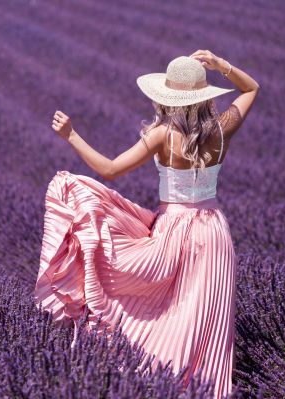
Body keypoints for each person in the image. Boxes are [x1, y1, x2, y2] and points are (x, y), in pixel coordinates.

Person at [35, 50, 259, 398]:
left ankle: (158, 379)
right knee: (205, 319)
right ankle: (204, 389)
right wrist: (220, 64)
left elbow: (110, 170)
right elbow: (251, 90)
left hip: (174, 230)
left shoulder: (163, 135)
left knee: (167, 308)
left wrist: (72, 136)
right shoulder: (220, 128)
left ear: (168, 97)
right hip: (214, 232)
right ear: (202, 95)